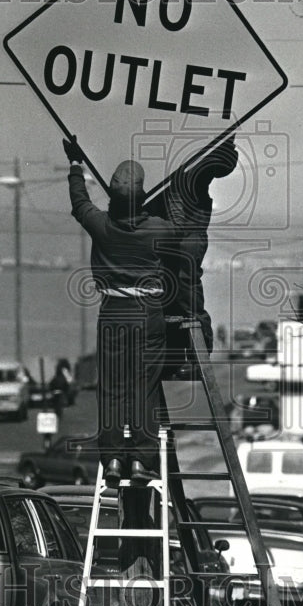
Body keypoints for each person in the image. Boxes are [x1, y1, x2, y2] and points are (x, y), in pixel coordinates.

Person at [64, 135, 186, 486]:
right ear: (142, 196)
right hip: (148, 312)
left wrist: (76, 166)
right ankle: (141, 461)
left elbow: (79, 202)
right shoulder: (157, 232)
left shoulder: (100, 225)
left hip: (113, 312)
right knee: (143, 388)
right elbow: (178, 228)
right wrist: (169, 195)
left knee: (112, 389)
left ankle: (114, 459)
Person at [150, 137, 239, 371]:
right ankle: (174, 358)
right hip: (158, 226)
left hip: (187, 227)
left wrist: (195, 164)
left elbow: (226, 160)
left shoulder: (203, 136)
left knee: (184, 285)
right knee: (164, 288)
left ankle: (197, 352)